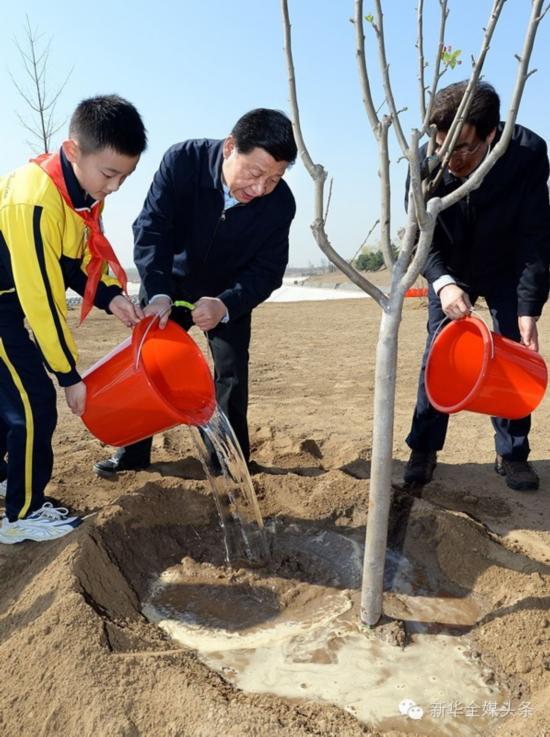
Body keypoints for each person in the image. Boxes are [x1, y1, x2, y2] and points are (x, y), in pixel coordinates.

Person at [94, 108, 297, 478]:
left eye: (274, 178)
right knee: (150, 364)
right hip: (168, 284)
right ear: (231, 147)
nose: (260, 189)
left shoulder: (280, 204)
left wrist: (226, 303)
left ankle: (230, 462)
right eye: (255, 173)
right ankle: (133, 453)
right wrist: (156, 291)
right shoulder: (182, 162)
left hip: (226, 294)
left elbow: (268, 271)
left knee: (232, 374)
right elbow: (151, 227)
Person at [0, 95, 147, 543]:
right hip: (5, 302)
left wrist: (110, 297)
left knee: (10, 396)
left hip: (9, 300)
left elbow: (73, 260)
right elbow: (42, 296)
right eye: (109, 174)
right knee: (33, 403)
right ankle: (22, 513)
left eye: (125, 175)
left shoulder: (76, 192)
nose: (116, 187)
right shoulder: (34, 199)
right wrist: (67, 374)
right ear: (72, 151)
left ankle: (8, 481)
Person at [404, 80, 550, 491]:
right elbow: (417, 236)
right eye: (443, 146)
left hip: (506, 265)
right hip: (450, 265)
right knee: (440, 350)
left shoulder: (527, 154)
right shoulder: (426, 162)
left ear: (492, 134)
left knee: (513, 351)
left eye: (465, 148)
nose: (453, 160)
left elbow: (535, 235)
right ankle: (424, 448)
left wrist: (528, 307)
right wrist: (444, 283)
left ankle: (513, 453)